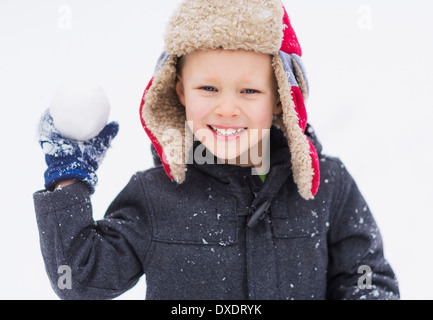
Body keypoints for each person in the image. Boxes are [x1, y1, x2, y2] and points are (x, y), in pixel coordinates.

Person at [33, 0, 399, 300]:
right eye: (208, 88)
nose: (226, 108)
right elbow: (81, 277)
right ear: (179, 92)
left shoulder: (327, 187)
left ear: (280, 100)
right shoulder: (155, 196)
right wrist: (69, 177)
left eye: (249, 91)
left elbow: (365, 278)